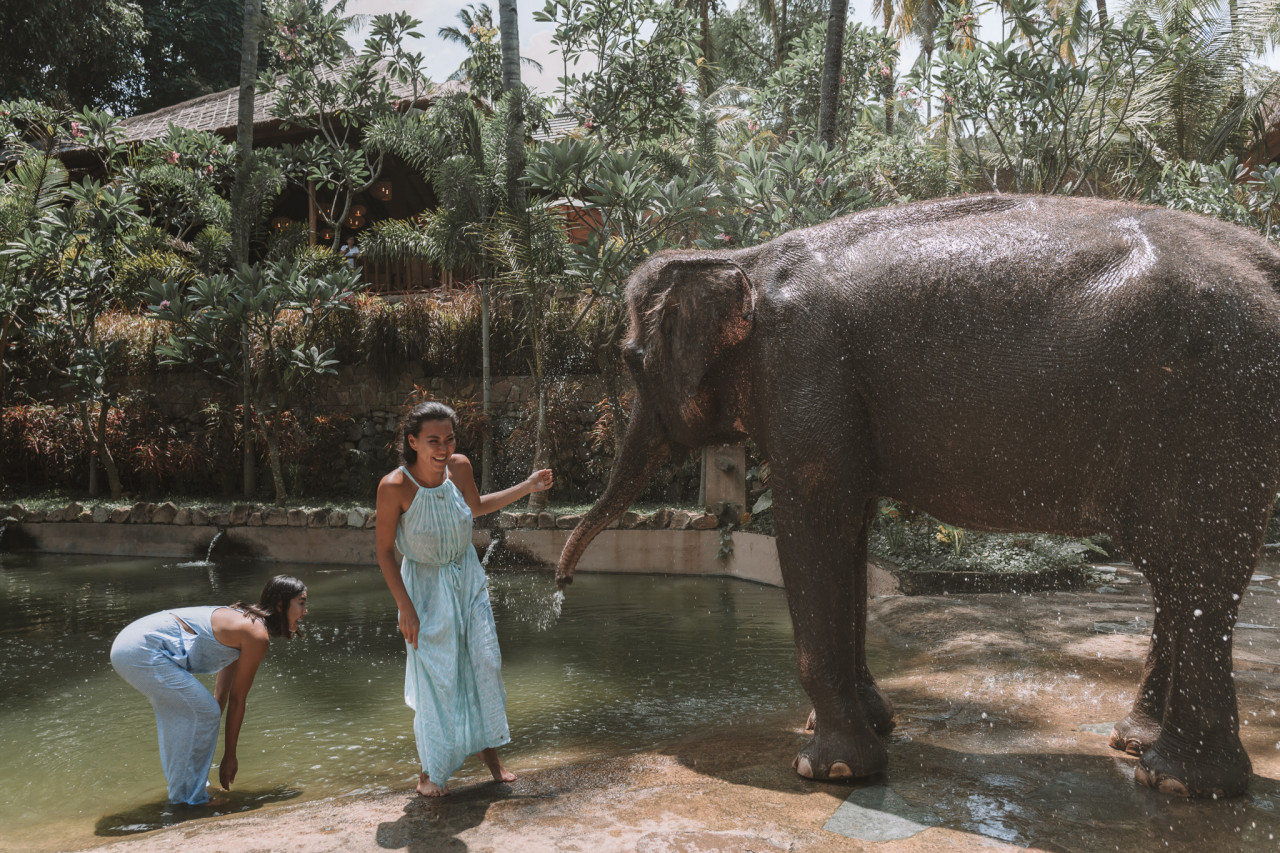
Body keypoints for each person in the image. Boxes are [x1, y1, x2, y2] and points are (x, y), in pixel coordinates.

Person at [376, 400, 553, 797]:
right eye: (433, 440)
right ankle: (430, 771)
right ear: (413, 442)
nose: (443, 448)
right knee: (438, 678)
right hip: (424, 590)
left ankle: (490, 756)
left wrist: (527, 486)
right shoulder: (395, 486)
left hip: (468, 578)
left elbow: (476, 508)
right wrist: (405, 606)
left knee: (484, 662)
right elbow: (385, 551)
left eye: (449, 438)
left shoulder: (460, 468)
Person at [109, 575, 308, 805]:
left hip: (130, 645)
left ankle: (190, 791)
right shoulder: (256, 634)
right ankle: (191, 800)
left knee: (195, 714)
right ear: (281, 605)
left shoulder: (244, 622)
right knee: (203, 712)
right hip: (141, 649)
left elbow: (222, 695)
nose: (305, 611)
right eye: (301, 603)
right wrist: (230, 755)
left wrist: (218, 749)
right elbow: (237, 699)